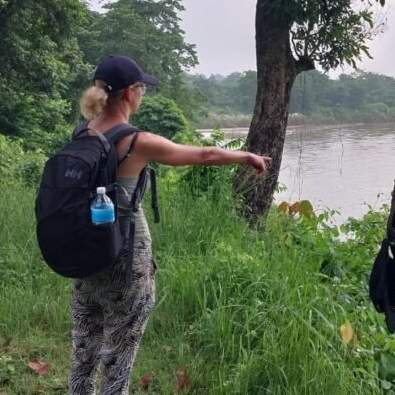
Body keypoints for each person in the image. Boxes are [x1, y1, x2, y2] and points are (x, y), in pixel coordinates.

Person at [68, 55, 270, 395]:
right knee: (119, 353)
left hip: (84, 251)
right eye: (141, 88)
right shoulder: (136, 141)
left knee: (84, 347)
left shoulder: (81, 133)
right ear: (129, 93)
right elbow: (204, 155)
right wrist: (246, 156)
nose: (142, 94)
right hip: (126, 255)